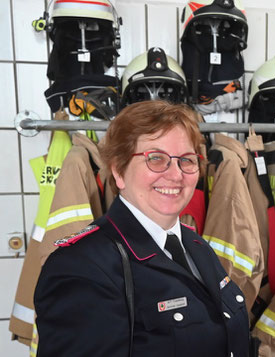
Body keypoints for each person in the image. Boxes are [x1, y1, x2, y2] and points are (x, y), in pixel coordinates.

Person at [34, 101, 253, 356]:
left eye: (187, 160)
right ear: (118, 170)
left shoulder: (196, 247)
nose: (176, 174)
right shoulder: (81, 267)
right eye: (156, 159)